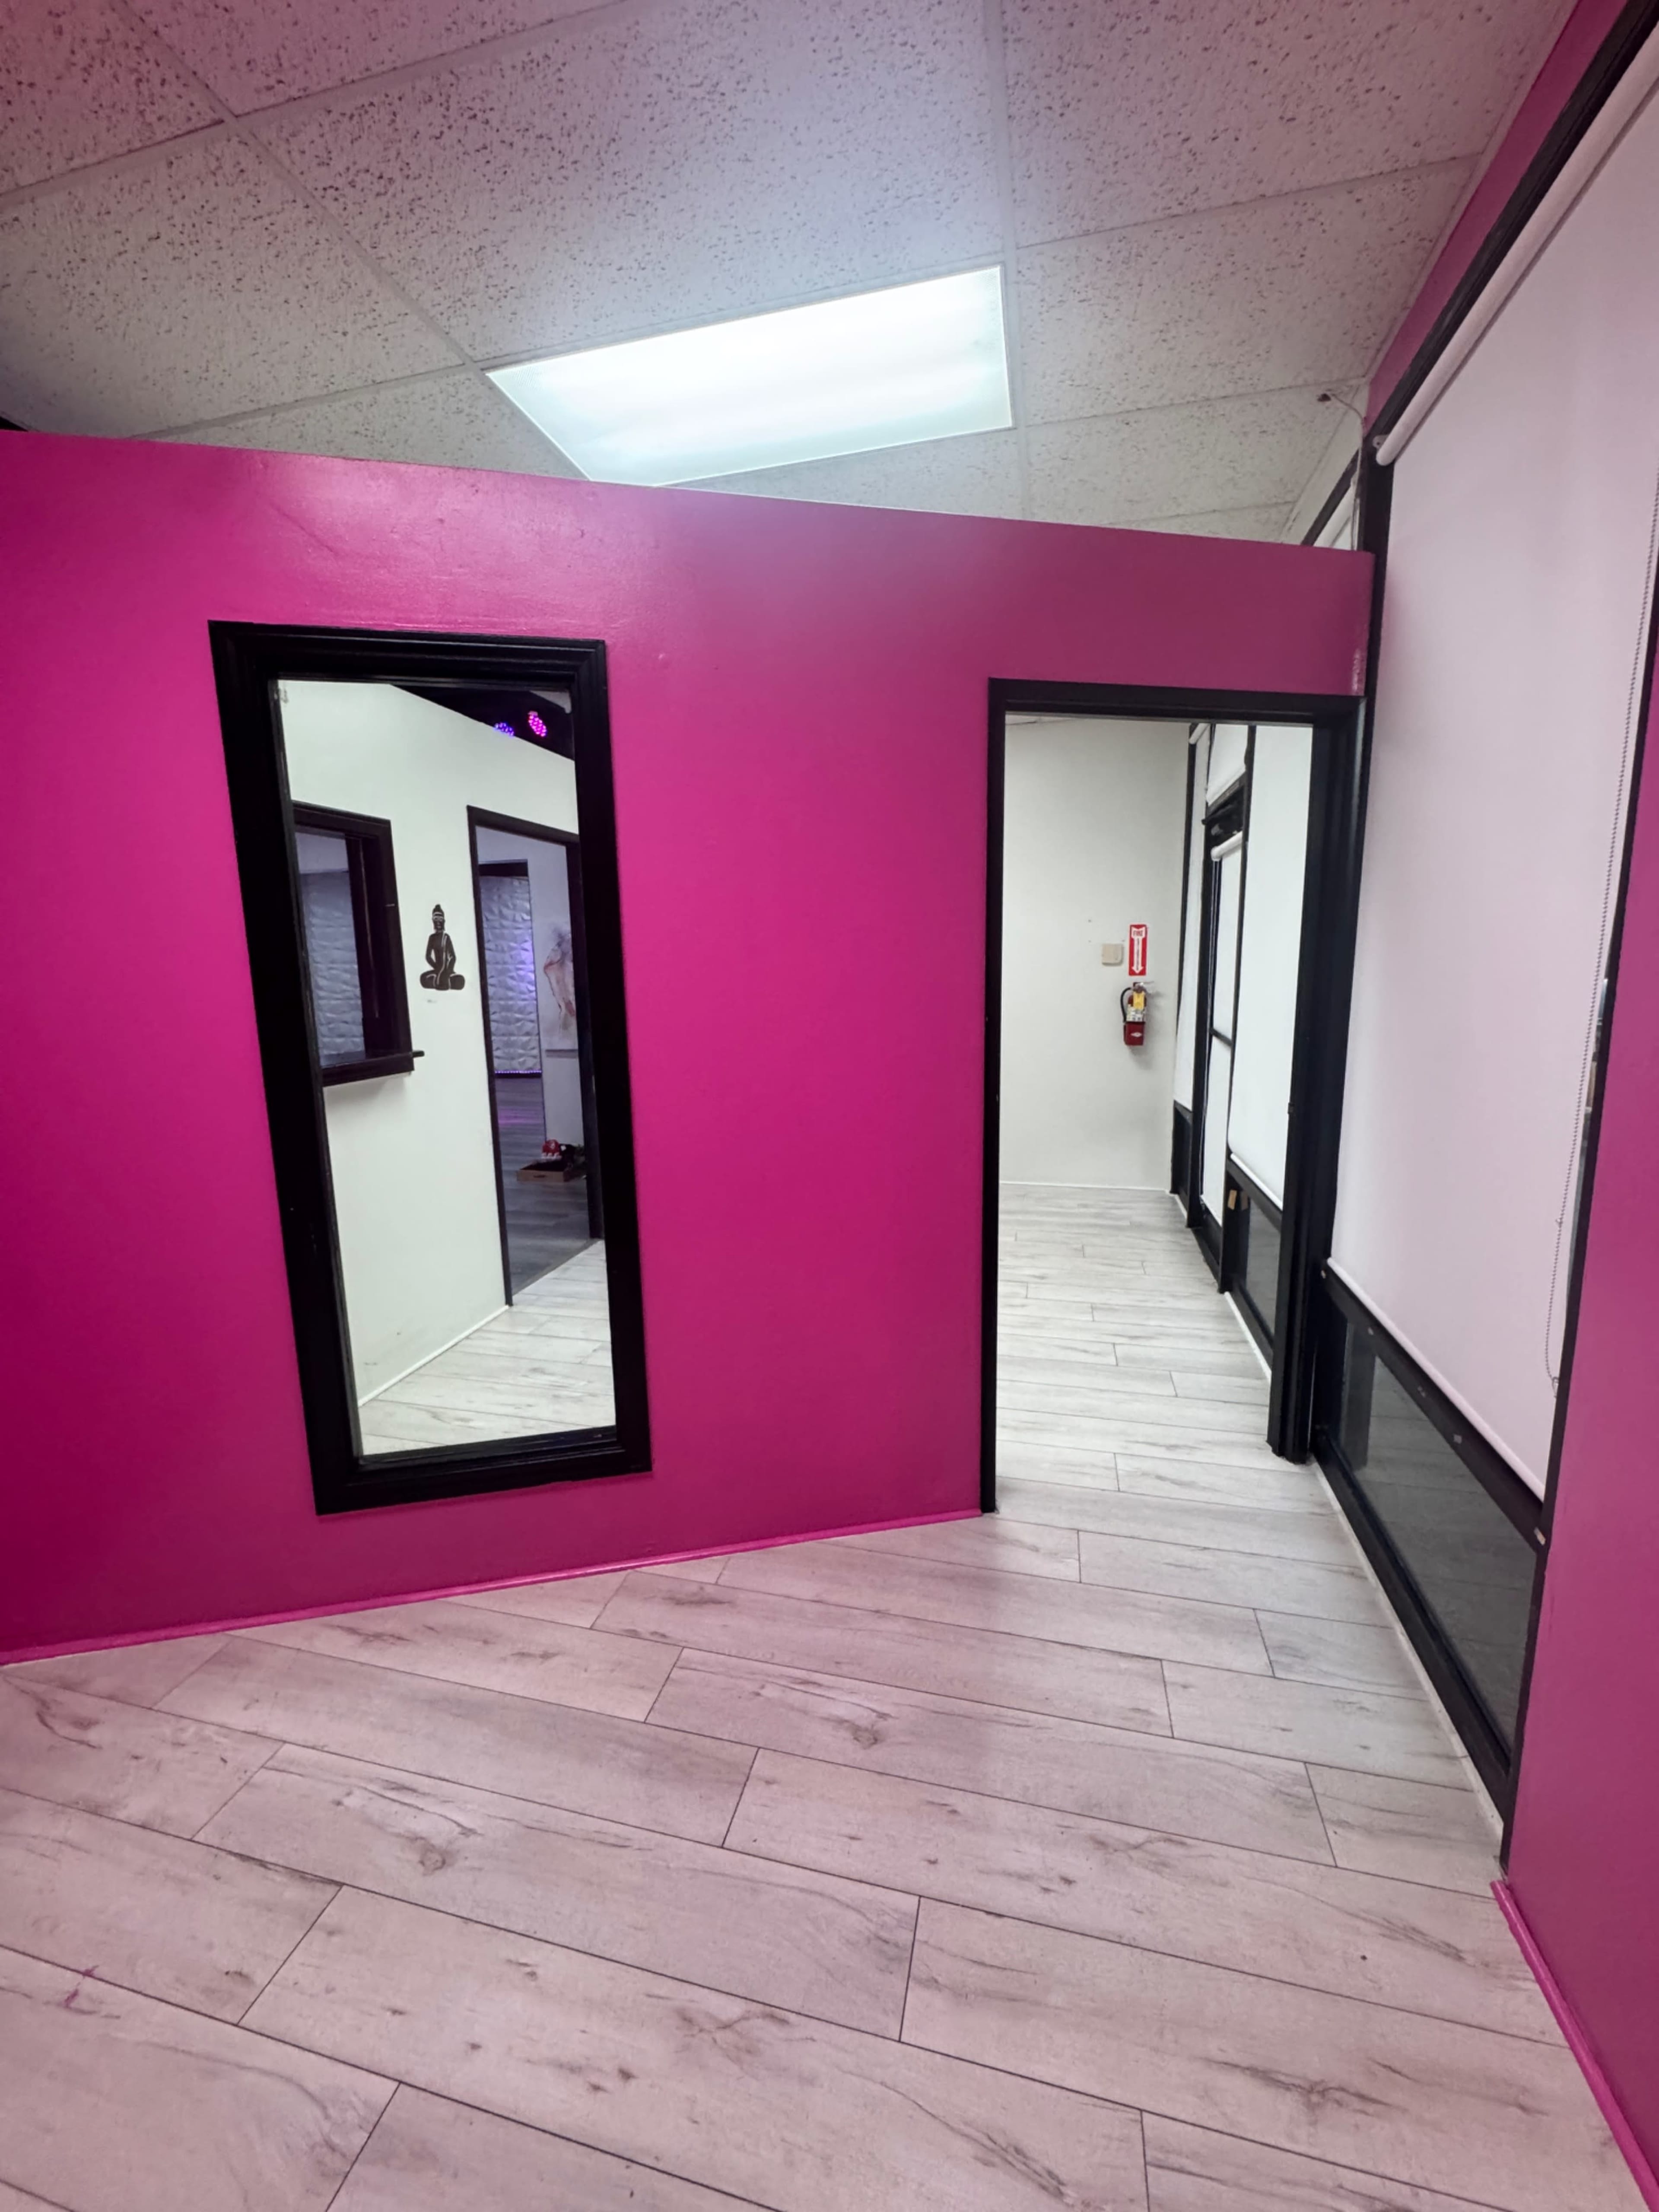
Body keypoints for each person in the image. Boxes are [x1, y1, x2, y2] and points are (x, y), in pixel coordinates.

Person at [419, 904, 465, 991]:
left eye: (440, 919)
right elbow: (428, 956)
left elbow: (453, 957)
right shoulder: (432, 938)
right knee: (423, 979)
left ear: (444, 921)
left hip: (448, 970)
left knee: (460, 981)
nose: (438, 922)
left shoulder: (446, 937)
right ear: (433, 921)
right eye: (436, 919)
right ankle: (445, 982)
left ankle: (445, 981)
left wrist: (448, 971)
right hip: (437, 969)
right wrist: (437, 968)